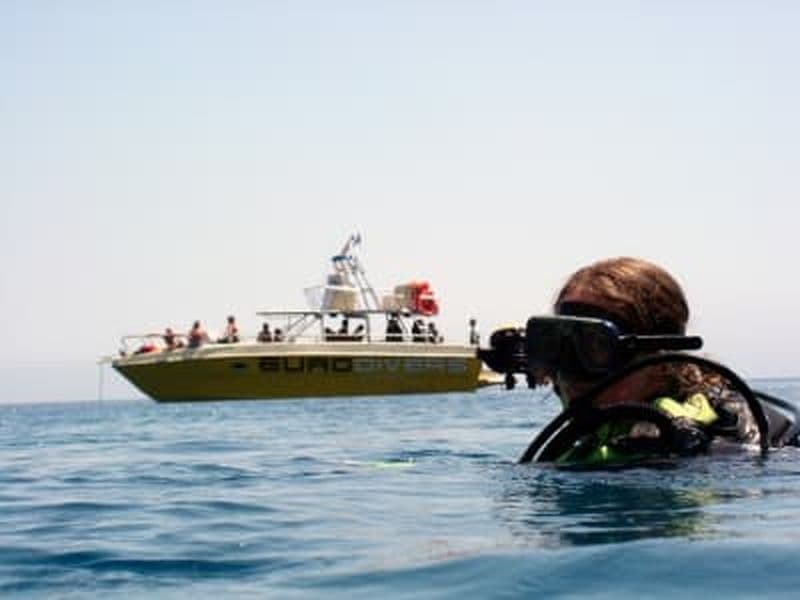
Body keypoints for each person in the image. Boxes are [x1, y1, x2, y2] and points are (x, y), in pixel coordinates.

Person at [517, 257, 798, 467]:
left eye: (595, 346)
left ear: (659, 357)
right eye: (555, 345)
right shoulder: (603, 434)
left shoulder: (706, 439)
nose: (569, 371)